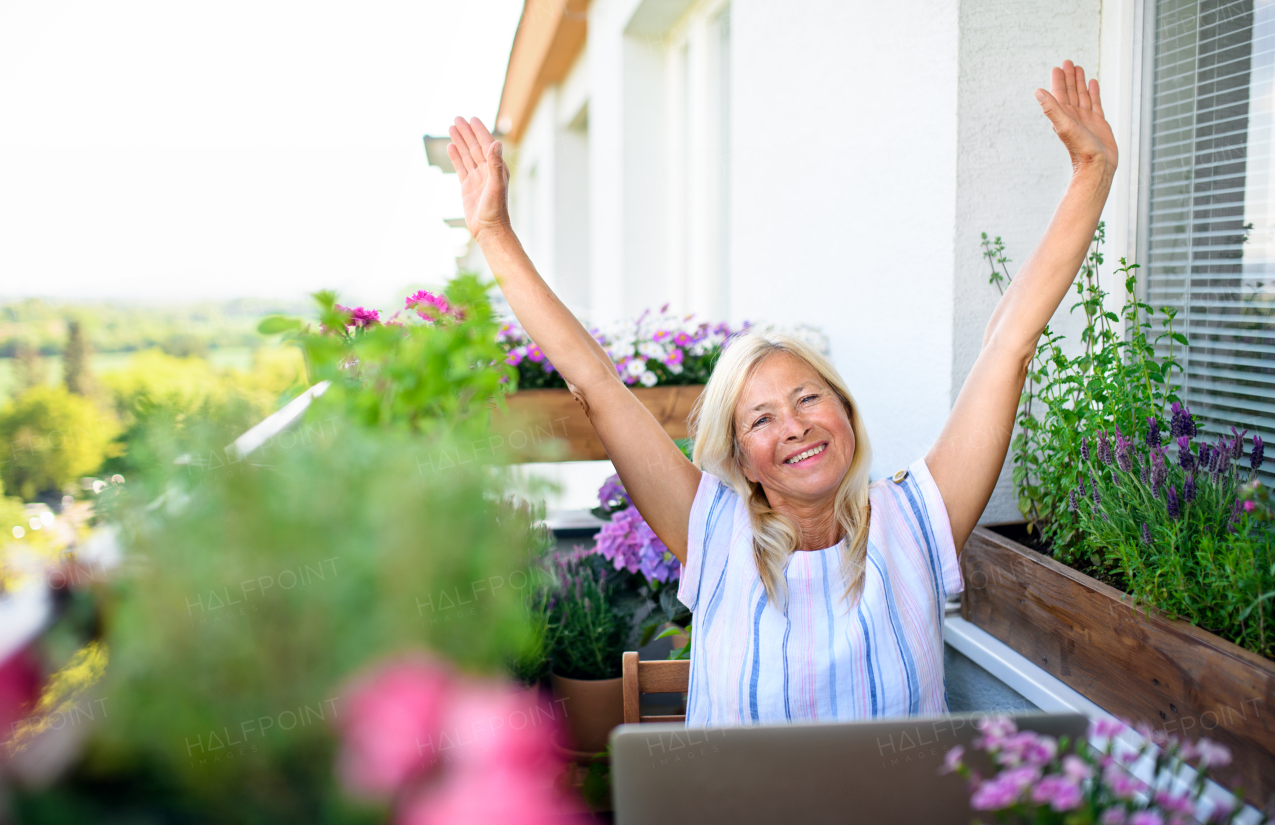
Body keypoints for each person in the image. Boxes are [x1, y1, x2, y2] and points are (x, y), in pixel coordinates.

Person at [447, 60, 1117, 726]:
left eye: (808, 398)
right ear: (740, 458)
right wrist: (493, 232)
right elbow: (593, 382)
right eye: (761, 418)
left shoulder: (915, 520)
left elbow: (1010, 345)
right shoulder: (711, 532)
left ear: (846, 414)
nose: (794, 425)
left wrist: (1092, 175)